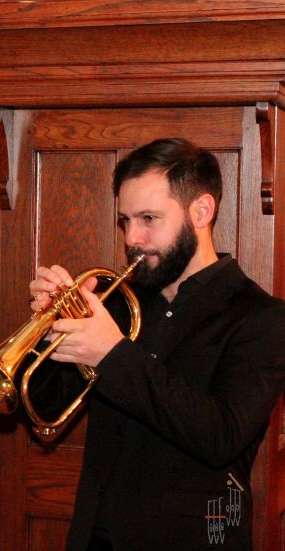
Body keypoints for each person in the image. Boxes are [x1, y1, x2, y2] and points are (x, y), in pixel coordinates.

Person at [28, 138, 285, 550]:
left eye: (149, 218)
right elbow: (45, 408)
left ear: (202, 210)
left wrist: (111, 355)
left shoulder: (261, 318)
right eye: (125, 220)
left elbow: (220, 436)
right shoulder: (116, 303)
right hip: (95, 535)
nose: (133, 237)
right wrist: (49, 331)